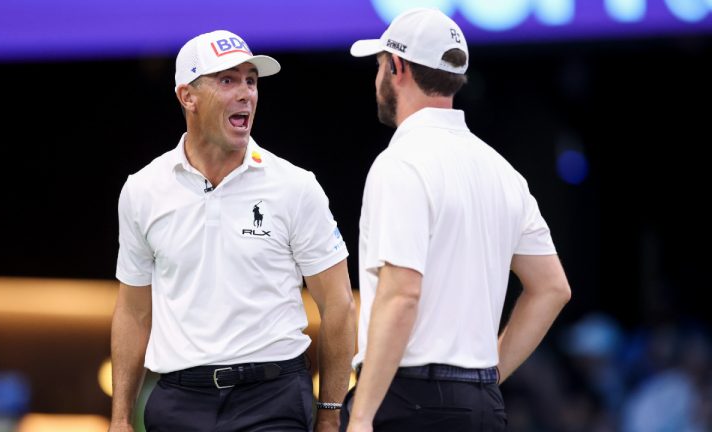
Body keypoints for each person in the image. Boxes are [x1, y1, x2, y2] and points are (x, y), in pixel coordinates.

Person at [109, 30, 356, 432]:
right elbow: (133, 313)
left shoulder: (295, 186)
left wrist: (330, 414)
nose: (246, 94)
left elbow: (339, 305)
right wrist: (120, 418)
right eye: (228, 80)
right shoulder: (143, 189)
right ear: (187, 96)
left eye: (251, 81)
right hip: (178, 401)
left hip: (272, 400)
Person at [341, 8, 572, 432]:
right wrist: (485, 378)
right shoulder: (503, 172)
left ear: (397, 66)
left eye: (378, 66)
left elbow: (402, 295)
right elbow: (552, 288)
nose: (377, 78)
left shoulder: (401, 163)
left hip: (407, 400)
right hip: (481, 405)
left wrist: (361, 416)